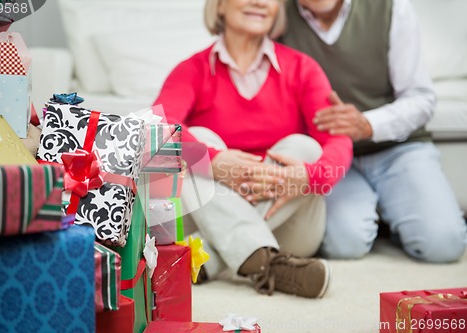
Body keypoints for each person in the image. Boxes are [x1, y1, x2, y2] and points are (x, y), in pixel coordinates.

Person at [153, 0, 352, 298]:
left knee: (305, 148)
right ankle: (268, 265)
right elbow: (160, 126)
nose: (260, 2)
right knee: (197, 142)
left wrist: (309, 177)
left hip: (287, 224)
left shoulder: (303, 68)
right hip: (212, 211)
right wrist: (213, 161)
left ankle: (205, 255)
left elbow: (339, 140)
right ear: (219, 6)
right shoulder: (191, 70)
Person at [280, 0, 466, 262]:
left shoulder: (390, 7)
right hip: (329, 156)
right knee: (343, 244)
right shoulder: (274, 14)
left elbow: (420, 97)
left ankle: (393, 211)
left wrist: (367, 124)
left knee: (444, 244)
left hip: (397, 148)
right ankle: (383, 214)